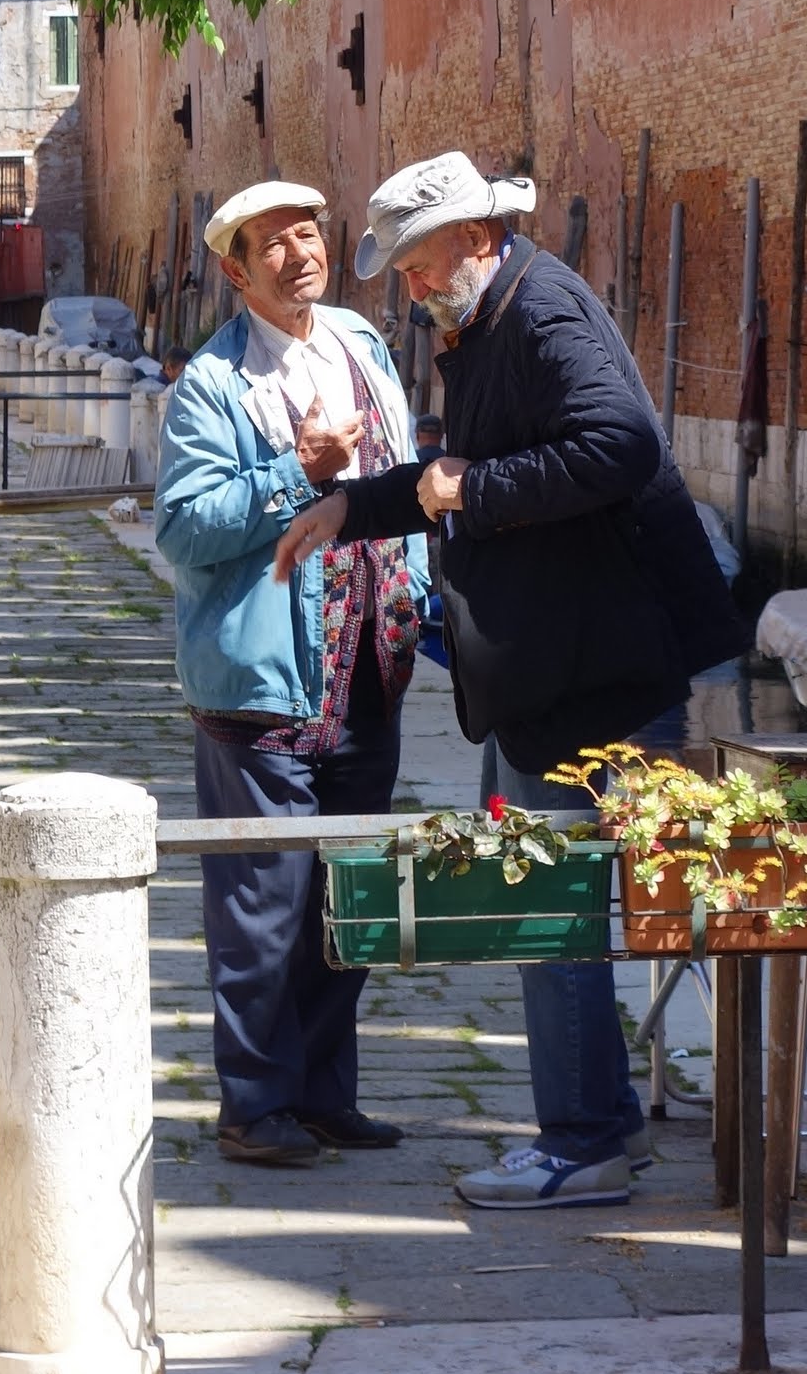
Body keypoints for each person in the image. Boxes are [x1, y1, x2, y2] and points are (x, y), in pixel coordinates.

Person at [274, 150, 748, 1208]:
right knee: (553, 903)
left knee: (554, 912)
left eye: (414, 264)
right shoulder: (489, 316)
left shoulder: (541, 316)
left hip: (597, 673)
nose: (405, 286)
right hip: (557, 666)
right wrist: (353, 506)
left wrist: (470, 491)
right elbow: (447, 478)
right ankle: (603, 1127)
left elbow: (618, 445)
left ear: (478, 239)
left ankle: (578, 1141)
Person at [155, 182, 429, 1169]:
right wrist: (295, 476)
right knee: (263, 908)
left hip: (369, 670)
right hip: (263, 685)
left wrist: (420, 597)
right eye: (271, 244)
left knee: (345, 900)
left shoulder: (362, 341)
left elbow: (400, 478)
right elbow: (182, 529)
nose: (297, 253)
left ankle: (322, 1093)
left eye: (308, 233)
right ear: (236, 270)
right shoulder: (212, 386)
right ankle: (254, 1105)